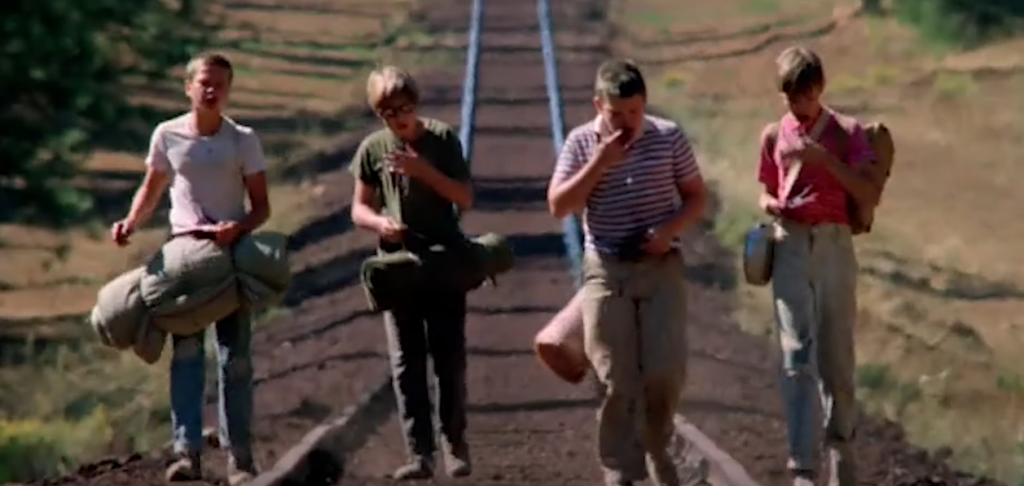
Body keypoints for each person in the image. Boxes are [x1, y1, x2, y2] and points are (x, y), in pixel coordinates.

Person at [109, 52, 270, 485]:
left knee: (235, 359)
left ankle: (241, 459)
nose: (212, 90)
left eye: (220, 83)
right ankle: (187, 454)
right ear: (189, 87)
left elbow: (262, 207)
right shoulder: (168, 135)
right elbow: (152, 189)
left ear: (229, 89)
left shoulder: (243, 139)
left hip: (231, 258)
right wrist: (130, 222)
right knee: (185, 356)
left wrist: (239, 227)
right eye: (204, 82)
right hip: (184, 260)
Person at [547, 59, 707, 486]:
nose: (626, 123)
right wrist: (599, 163)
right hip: (607, 269)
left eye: (634, 112)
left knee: (664, 370)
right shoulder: (581, 143)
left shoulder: (668, 137)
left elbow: (695, 196)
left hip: (660, 267)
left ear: (645, 104)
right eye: (616, 114)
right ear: (598, 105)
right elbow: (559, 205)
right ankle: (619, 468)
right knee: (616, 374)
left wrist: (669, 230)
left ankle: (658, 445)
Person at [756, 46, 881, 486]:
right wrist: (775, 203)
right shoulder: (774, 135)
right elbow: (765, 190)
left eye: (805, 98)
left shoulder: (847, 133)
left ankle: (842, 455)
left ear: (820, 90)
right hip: (791, 240)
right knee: (796, 354)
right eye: (791, 99)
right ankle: (802, 466)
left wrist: (825, 161)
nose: (798, 107)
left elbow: (867, 190)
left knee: (837, 357)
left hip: (834, 244)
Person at [348, 65, 475, 481]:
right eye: (388, 112)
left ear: (415, 104)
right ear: (378, 114)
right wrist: (380, 223)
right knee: (406, 364)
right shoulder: (372, 149)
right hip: (397, 266)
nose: (398, 117)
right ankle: (419, 453)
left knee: (449, 359)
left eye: (403, 108)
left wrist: (423, 172)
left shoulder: (440, 138)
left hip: (443, 260)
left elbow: (465, 197)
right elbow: (359, 208)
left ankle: (454, 444)